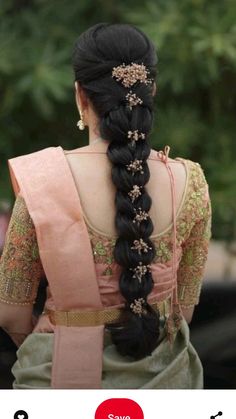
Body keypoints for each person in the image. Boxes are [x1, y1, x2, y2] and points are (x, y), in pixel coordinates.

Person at [0, 23, 211, 389]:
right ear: (152, 91)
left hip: (58, 384)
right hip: (167, 384)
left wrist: (62, 336)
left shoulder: (41, 181)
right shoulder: (190, 182)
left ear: (81, 96)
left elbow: (11, 312)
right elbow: (184, 309)